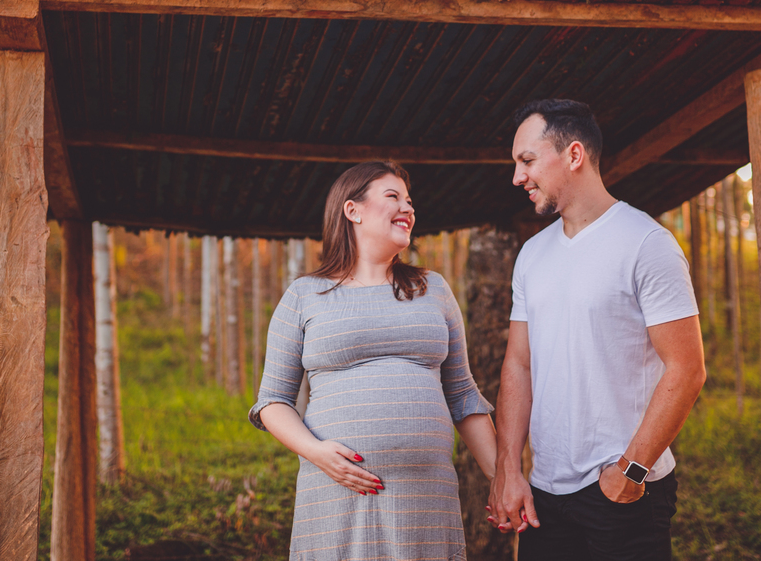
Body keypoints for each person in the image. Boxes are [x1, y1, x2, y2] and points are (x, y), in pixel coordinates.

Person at [487, 99, 706, 560]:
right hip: (545, 496)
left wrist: (632, 470)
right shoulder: (532, 254)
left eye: (527, 160)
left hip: (622, 491)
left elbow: (687, 369)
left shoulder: (647, 243)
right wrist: (508, 467)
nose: (517, 177)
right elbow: (519, 364)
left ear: (574, 155)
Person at [250, 160, 498, 560]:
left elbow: (463, 395)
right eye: (393, 196)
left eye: (410, 201)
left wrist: (502, 478)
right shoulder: (304, 296)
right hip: (336, 491)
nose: (408, 207)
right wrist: (316, 453)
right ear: (353, 210)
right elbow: (272, 402)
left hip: (425, 499)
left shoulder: (433, 289)